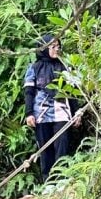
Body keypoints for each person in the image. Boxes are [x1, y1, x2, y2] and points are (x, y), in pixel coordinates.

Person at [24, 33, 80, 181]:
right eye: (53, 47)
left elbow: (72, 92)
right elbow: (29, 92)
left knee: (62, 144)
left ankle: (62, 178)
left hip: (62, 112)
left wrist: (77, 113)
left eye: (58, 46)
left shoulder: (65, 67)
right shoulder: (34, 68)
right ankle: (48, 181)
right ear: (43, 48)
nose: (57, 49)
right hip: (41, 114)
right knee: (45, 148)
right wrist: (29, 113)